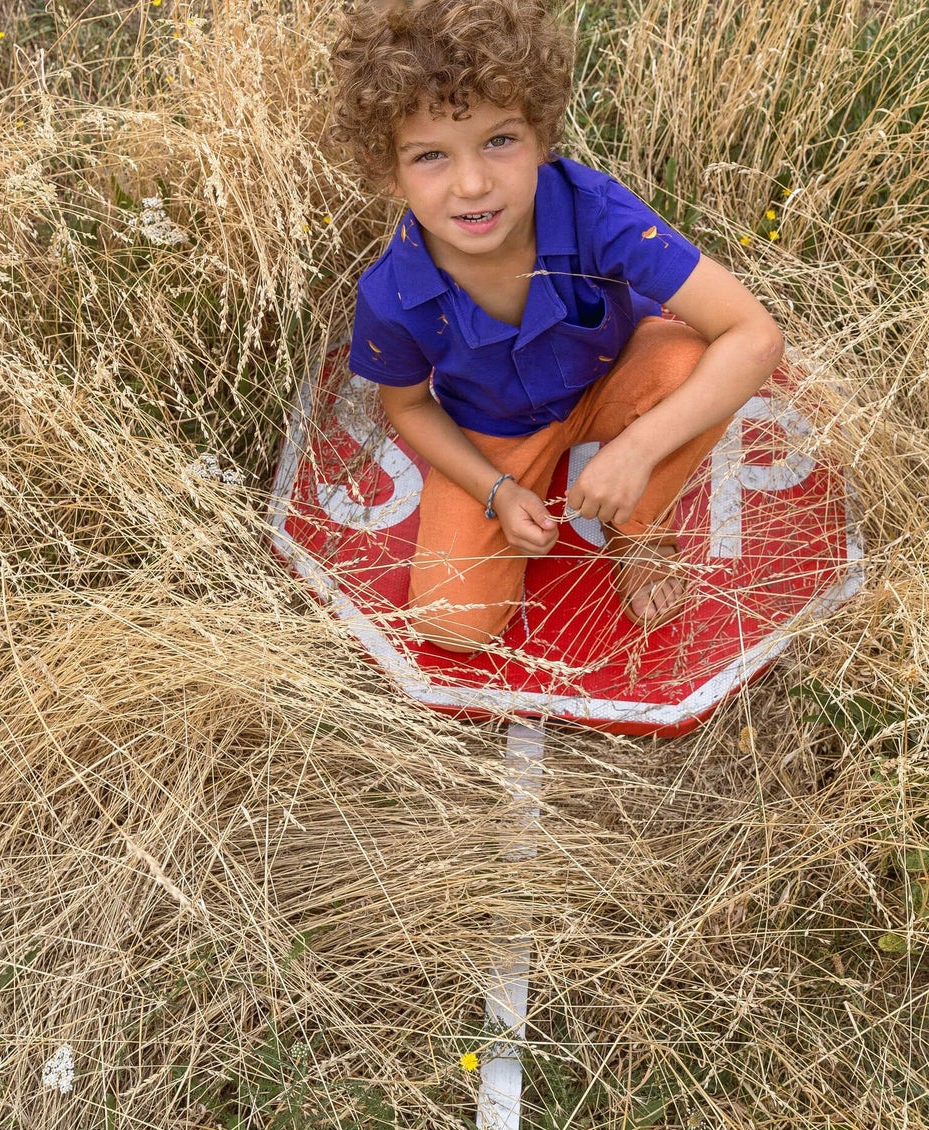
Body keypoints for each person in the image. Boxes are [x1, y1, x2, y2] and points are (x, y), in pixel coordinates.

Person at [329, 0, 785, 650]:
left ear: (542, 136)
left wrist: (634, 451)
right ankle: (523, 495)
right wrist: (497, 491)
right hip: (497, 432)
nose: (472, 182)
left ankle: (644, 529)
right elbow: (407, 407)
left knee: (691, 365)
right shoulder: (391, 294)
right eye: (430, 155)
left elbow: (754, 336)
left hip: (614, 379)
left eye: (499, 140)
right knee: (450, 625)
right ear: (389, 168)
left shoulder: (595, 210)